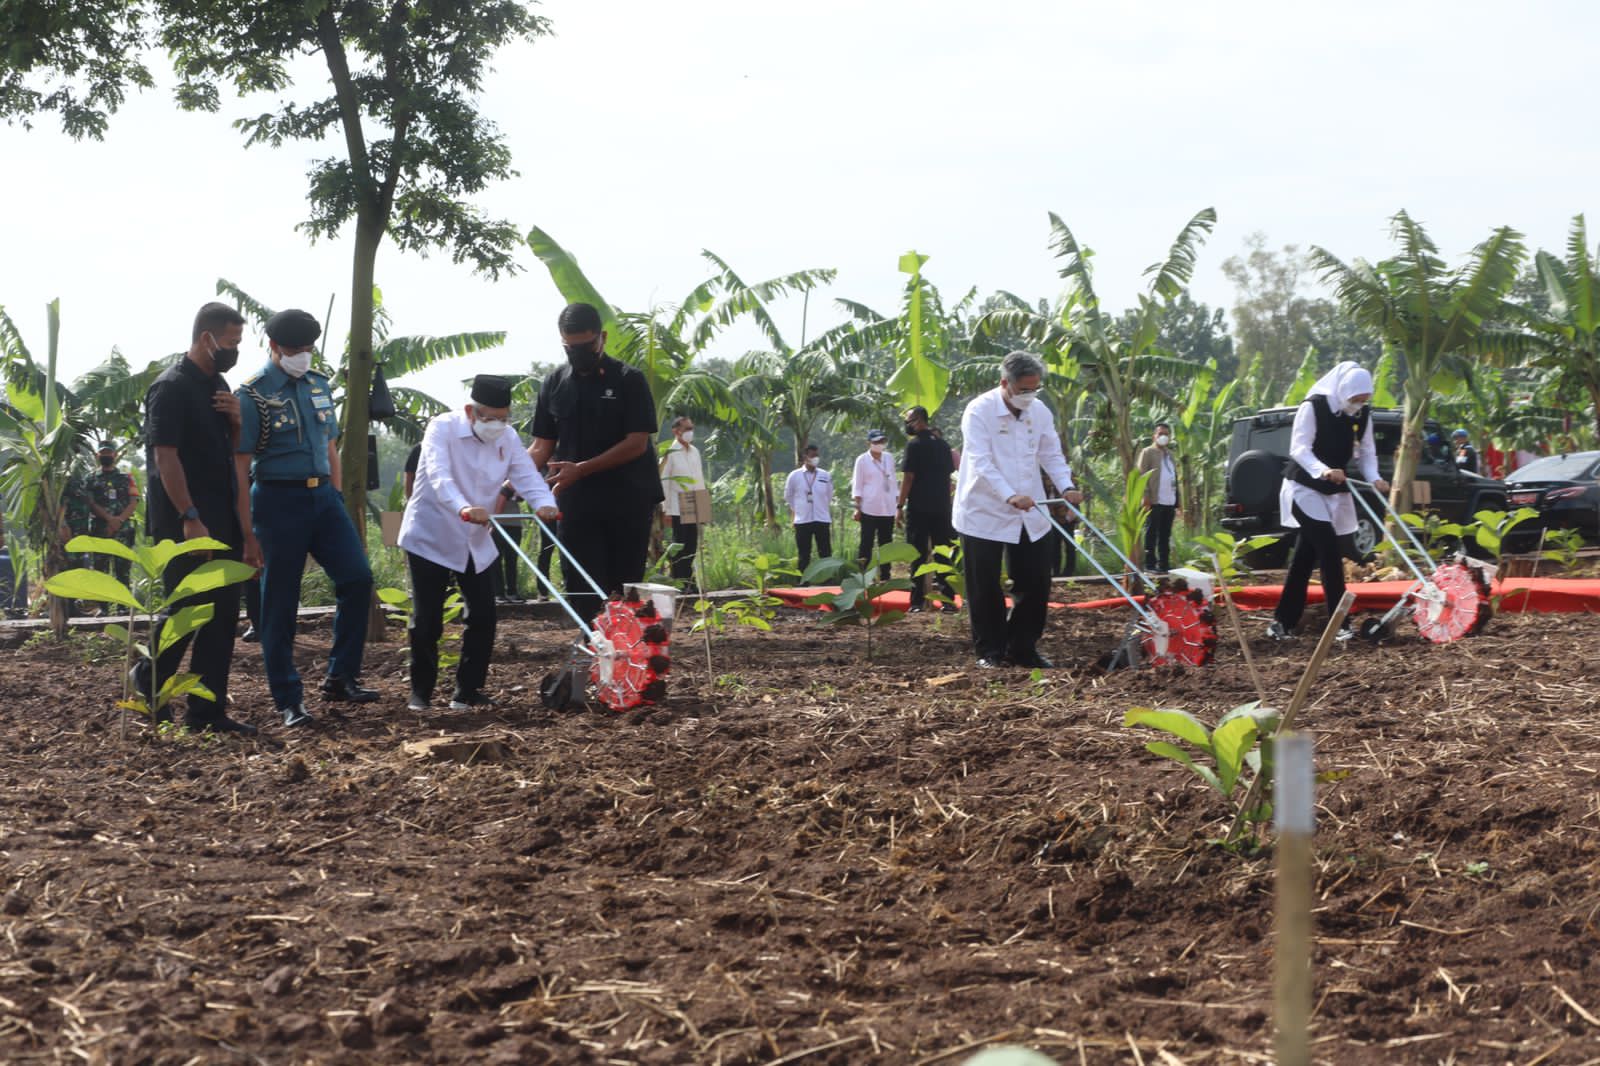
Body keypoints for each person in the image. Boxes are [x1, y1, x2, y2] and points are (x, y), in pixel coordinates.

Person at [236, 308, 376, 728]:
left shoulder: (318, 385)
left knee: (358, 579)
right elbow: (240, 465)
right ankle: (288, 699)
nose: (303, 355)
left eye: (308, 348)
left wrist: (332, 491)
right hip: (277, 502)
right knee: (279, 603)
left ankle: (341, 676)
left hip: (323, 500)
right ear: (274, 347)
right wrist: (247, 532)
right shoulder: (253, 394)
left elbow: (329, 442)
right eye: (295, 348)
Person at [133, 301, 257, 735]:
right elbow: (165, 458)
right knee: (186, 609)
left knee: (223, 617)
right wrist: (190, 517)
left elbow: (231, 456)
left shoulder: (218, 385)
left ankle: (206, 712)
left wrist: (238, 423)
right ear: (207, 338)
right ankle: (145, 683)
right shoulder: (170, 388)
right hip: (185, 522)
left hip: (221, 519)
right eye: (231, 342)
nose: (235, 350)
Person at [401, 375, 558, 711]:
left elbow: (526, 475)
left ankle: (467, 691)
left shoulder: (509, 437)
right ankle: (421, 693)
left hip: (475, 538)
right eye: (490, 418)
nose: (497, 425)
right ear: (470, 411)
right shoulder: (441, 429)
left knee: (484, 615)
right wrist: (462, 507)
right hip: (431, 534)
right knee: (428, 620)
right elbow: (438, 475)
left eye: (504, 418)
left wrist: (545, 503)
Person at [529, 302, 662, 626]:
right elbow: (541, 447)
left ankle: (625, 662)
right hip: (575, 502)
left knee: (623, 584)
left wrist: (582, 468)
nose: (578, 354)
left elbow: (636, 443)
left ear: (601, 338)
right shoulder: (554, 384)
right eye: (570, 348)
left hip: (627, 499)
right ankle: (595, 657)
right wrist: (505, 482)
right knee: (582, 587)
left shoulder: (629, 380)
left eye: (586, 346)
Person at [953, 351, 1081, 669]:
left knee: (1036, 581)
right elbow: (981, 462)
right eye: (1024, 389)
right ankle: (990, 651)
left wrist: (1065, 487)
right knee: (984, 586)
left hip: (1031, 509)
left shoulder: (1039, 412)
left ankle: (1023, 647)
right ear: (1004, 384)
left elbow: (1051, 452)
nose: (1030, 395)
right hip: (983, 509)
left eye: (1035, 389)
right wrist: (1009, 495)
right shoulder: (979, 411)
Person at [1269, 361, 1390, 641]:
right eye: (1355, 399)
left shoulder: (1362, 414)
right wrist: (1322, 470)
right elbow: (1299, 448)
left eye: (1364, 399)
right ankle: (1340, 624)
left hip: (1334, 491)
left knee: (1304, 559)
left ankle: (1282, 623)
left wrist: (1375, 479)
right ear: (1343, 391)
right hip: (1304, 488)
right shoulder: (1313, 407)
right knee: (1330, 552)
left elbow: (1367, 453)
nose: (1358, 404)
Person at [897, 406, 957, 612]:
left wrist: (899, 505)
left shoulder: (914, 446)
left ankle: (916, 602)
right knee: (943, 554)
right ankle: (948, 601)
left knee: (918, 555)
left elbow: (909, 477)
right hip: (942, 507)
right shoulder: (943, 445)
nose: (907, 424)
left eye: (909, 420)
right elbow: (949, 477)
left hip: (919, 508)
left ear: (919, 420)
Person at [658, 415, 706, 584]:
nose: (690, 432)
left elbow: (699, 478)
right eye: (686, 429)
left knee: (692, 544)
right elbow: (664, 482)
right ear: (676, 431)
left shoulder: (695, 452)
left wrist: (703, 507)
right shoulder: (670, 453)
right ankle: (679, 579)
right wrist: (665, 509)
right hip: (677, 502)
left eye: (691, 428)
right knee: (681, 544)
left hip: (693, 500)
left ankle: (688, 579)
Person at [86, 440, 140, 586]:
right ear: (97, 455)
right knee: (100, 574)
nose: (106, 455)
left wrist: (119, 520)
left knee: (123, 574)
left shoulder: (126, 477)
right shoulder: (90, 479)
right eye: (103, 453)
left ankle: (123, 608)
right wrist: (110, 519)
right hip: (100, 531)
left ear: (115, 455)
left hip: (123, 531)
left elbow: (134, 501)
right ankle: (103, 609)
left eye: (108, 452)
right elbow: (90, 503)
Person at [851, 429, 898, 579]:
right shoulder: (862, 460)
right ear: (869, 443)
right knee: (866, 544)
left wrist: (897, 505)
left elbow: (893, 481)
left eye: (882, 441)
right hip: (869, 507)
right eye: (876, 442)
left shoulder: (889, 458)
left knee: (886, 545)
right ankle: (864, 576)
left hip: (887, 507)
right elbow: (857, 485)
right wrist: (857, 508)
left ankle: (885, 575)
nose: (879, 445)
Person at [784, 444, 834, 572]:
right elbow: (789, 496)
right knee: (804, 553)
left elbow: (829, 495)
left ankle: (827, 579)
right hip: (803, 520)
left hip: (821, 518)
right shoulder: (794, 476)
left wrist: (820, 506)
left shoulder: (825, 475)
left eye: (817, 455)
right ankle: (803, 581)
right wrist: (798, 510)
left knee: (825, 552)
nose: (815, 458)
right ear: (805, 457)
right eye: (812, 456)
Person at [1137, 422, 1179, 573]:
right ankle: (1149, 565)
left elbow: (1175, 478)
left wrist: (1177, 502)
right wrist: (1145, 496)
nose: (1163, 437)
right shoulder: (1148, 452)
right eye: (1160, 434)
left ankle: (1164, 564)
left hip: (1169, 500)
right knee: (1151, 532)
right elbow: (1141, 474)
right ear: (1154, 436)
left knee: (1165, 534)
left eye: (1166, 434)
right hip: (1154, 500)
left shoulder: (1170, 455)